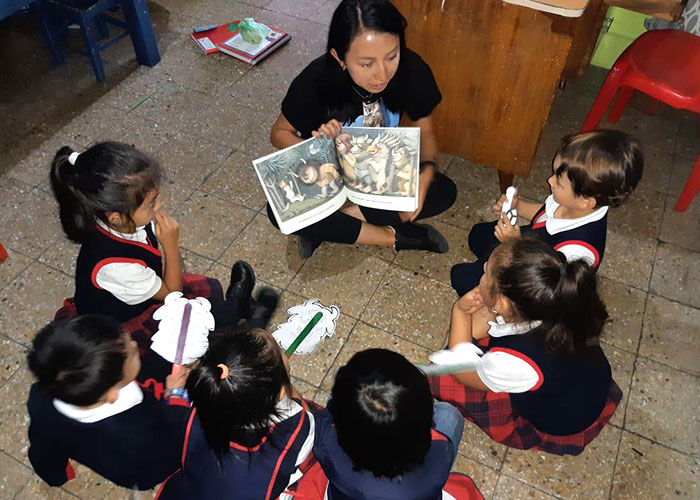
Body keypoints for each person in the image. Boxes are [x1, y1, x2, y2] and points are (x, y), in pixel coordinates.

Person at [269, 0, 457, 258]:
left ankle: (328, 227)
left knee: (442, 191)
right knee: (277, 209)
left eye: (392, 56)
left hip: (378, 167)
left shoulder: (411, 68)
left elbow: (425, 130)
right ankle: (397, 237)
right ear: (340, 57)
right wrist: (316, 147)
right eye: (367, 64)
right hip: (328, 173)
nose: (382, 75)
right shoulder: (315, 81)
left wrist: (425, 174)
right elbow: (278, 133)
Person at [49, 141, 276, 347]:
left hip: (146, 287)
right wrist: (171, 245)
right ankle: (244, 322)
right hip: (127, 319)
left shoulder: (121, 219)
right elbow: (172, 294)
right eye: (151, 203)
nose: (160, 205)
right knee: (200, 317)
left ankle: (235, 312)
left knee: (202, 295)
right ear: (116, 217)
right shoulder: (115, 265)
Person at [431, 238, 622, 456]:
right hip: (584, 382)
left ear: (502, 303)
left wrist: (460, 311)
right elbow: (478, 327)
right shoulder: (556, 301)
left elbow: (460, 370)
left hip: (563, 416)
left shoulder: (514, 359)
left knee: (439, 376)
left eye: (485, 272)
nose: (481, 274)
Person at [450, 130, 644, 296]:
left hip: (529, 269)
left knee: (460, 278)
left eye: (558, 182)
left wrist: (514, 243)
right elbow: (546, 213)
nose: (550, 181)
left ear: (585, 201)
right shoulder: (577, 204)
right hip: (532, 240)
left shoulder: (577, 252)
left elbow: (540, 283)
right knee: (478, 234)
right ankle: (490, 255)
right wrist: (518, 207)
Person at [27, 315, 190, 490]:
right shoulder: (135, 434)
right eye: (132, 354)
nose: (134, 345)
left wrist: (53, 473)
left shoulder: (41, 397)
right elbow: (172, 440)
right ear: (112, 394)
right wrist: (175, 398)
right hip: (143, 469)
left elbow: (42, 446)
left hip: (89, 446)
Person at [155, 327, 315, 500]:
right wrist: (286, 384)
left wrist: (174, 394)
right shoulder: (297, 429)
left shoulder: (199, 405)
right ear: (279, 392)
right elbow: (301, 413)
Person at [292, 348, 474, 500]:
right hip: (411, 486)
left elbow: (314, 418)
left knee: (342, 380)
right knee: (450, 416)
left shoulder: (327, 442)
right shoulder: (440, 453)